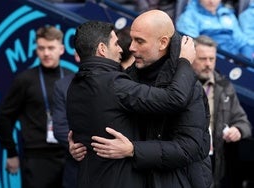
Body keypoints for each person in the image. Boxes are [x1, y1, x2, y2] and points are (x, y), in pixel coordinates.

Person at [69, 10, 212, 188]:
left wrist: (134, 150)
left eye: (140, 41)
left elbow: (192, 148)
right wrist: (82, 144)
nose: (130, 48)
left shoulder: (188, 85)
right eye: (132, 39)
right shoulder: (125, 78)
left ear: (163, 42)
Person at [0, 25, 73, 188]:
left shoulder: (71, 78)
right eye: (41, 48)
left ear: (61, 49)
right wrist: (11, 153)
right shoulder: (24, 80)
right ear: (36, 50)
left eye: (50, 48)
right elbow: (5, 117)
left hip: (68, 156)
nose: (46, 53)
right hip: (36, 158)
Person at [191, 35, 252, 188]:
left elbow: (243, 121)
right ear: (191, 57)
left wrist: (238, 130)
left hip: (213, 162)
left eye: (212, 59)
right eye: (203, 59)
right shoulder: (178, 84)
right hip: (184, 158)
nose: (208, 64)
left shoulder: (224, 86)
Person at [176, 0, 254, 61]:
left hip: (237, 61)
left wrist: (246, 59)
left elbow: (243, 42)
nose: (211, 1)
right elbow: (193, 46)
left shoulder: (227, 14)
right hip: (211, 61)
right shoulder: (188, 17)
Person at [52, 73, 78, 188]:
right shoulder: (63, 84)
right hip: (76, 165)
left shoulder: (119, 81)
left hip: (114, 166)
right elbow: (60, 128)